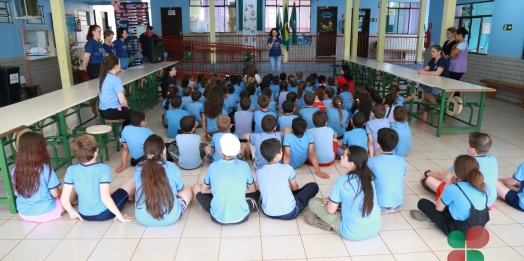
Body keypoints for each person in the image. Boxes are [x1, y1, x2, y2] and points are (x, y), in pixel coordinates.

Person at [304, 146, 381, 241]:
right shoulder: (369, 178)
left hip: (352, 233)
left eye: (344, 156)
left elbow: (331, 211)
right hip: (374, 229)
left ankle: (330, 225)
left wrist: (331, 203)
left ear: (351, 163)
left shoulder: (342, 181)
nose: (341, 156)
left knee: (313, 202)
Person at [61, 134, 135, 222]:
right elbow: (105, 198)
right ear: (95, 153)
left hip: (84, 214)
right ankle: (129, 195)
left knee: (106, 187)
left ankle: (128, 194)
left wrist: (72, 212)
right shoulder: (103, 168)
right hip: (104, 213)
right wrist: (120, 216)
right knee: (133, 180)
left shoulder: (71, 170)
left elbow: (64, 199)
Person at [411, 155, 490, 236]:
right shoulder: (481, 186)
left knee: (423, 203)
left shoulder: (452, 188)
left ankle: (434, 220)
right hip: (478, 231)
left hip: (459, 232)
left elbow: (438, 208)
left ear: (457, 171)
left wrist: (447, 185)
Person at [192, 134, 261, 225]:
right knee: (257, 186)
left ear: (220, 151)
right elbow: (252, 189)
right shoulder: (244, 165)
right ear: (238, 151)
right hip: (242, 216)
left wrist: (219, 189)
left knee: (196, 187)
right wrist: (235, 190)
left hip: (216, 217)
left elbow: (204, 190)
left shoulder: (213, 166)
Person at [420, 132, 498, 209]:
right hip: (489, 202)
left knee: (429, 180)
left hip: (471, 204)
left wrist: (427, 174)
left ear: (472, 150)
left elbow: (440, 175)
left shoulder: (466, 163)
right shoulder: (493, 159)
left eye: (467, 142)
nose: (466, 142)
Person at [134, 134, 193, 226]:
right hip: (170, 217)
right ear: (164, 151)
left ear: (144, 151)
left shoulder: (139, 167)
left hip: (142, 218)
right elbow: (180, 189)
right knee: (188, 189)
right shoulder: (171, 166)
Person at [11, 132, 71, 222]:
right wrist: (63, 192)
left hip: (24, 213)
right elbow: (55, 194)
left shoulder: (14, 170)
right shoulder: (45, 168)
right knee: (71, 192)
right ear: (41, 149)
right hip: (46, 212)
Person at [257, 138, 319, 220]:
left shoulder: (259, 172)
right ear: (277, 156)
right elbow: (295, 188)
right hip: (289, 213)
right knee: (313, 186)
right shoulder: (287, 168)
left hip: (268, 212)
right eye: (281, 150)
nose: (282, 152)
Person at [368, 129, 406, 214]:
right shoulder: (401, 160)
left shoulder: (371, 161)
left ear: (378, 145)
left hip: (377, 206)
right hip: (397, 205)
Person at [97, 55, 131, 128]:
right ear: (116, 66)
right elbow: (122, 101)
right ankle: (123, 136)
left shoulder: (101, 78)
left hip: (102, 111)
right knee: (134, 114)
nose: (120, 65)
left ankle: (123, 135)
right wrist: (127, 107)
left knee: (127, 112)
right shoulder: (115, 79)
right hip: (112, 111)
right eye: (119, 63)